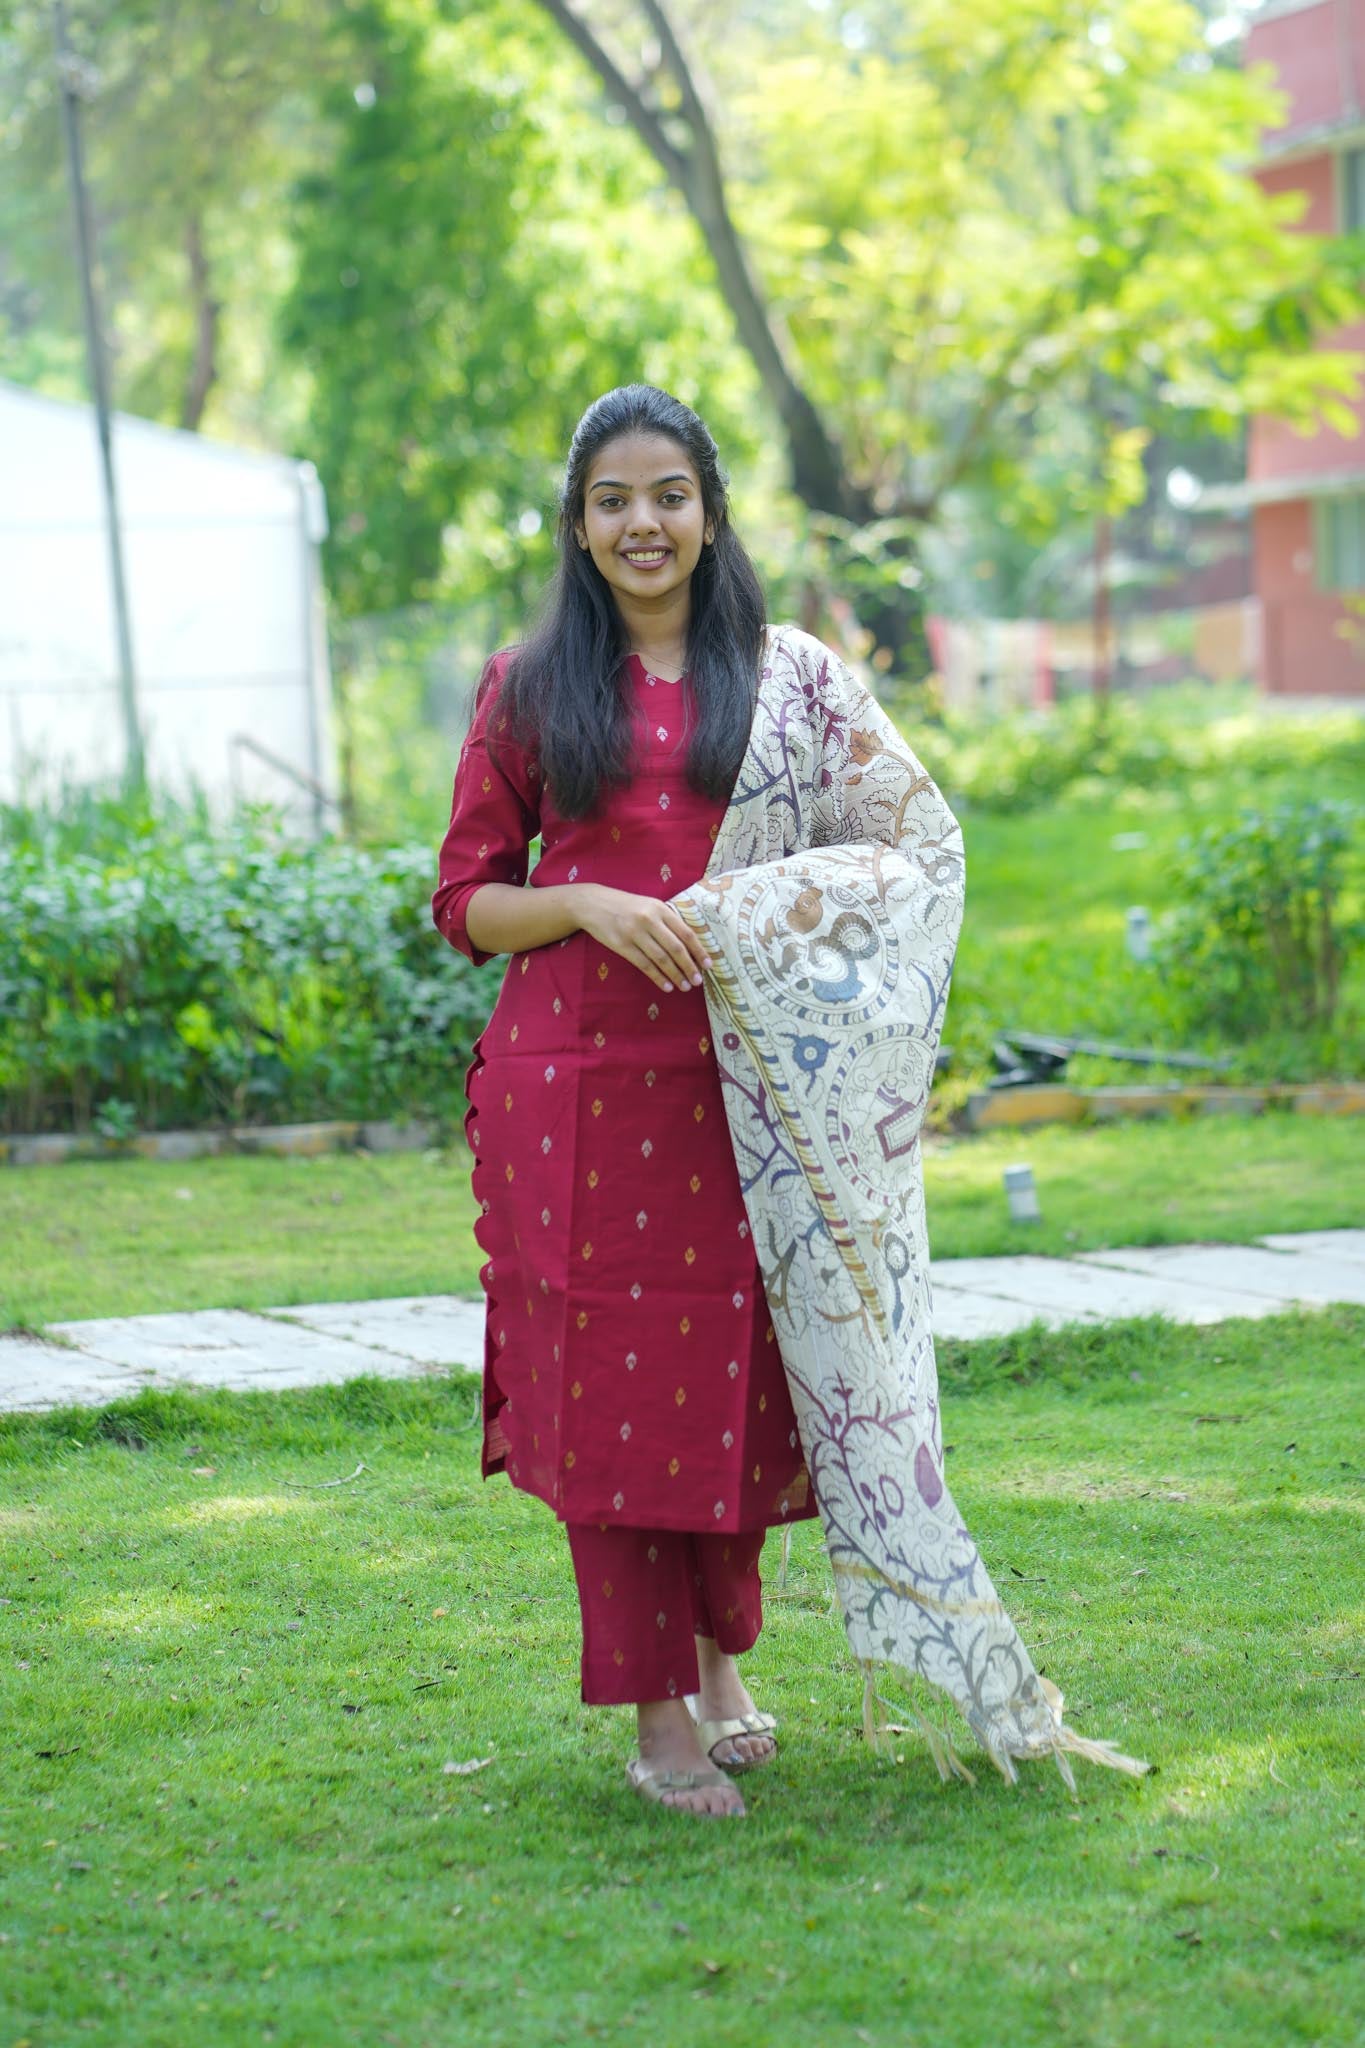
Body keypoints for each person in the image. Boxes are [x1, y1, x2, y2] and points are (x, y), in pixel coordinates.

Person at [432, 384, 816, 1818]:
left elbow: (866, 857)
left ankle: (723, 1665)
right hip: (579, 1090)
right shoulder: (529, 684)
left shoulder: (782, 683)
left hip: (744, 1076)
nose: (641, 522)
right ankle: (655, 1719)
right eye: (612, 499)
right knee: (613, 1390)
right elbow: (465, 900)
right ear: (577, 525)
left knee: (737, 1366)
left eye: (667, 494)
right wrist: (584, 896)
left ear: (708, 510)